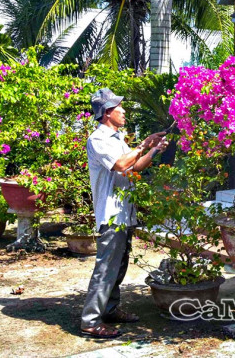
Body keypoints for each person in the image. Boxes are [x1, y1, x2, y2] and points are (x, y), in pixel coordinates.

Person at [81, 88, 168, 339]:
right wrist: (142, 144)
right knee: (106, 268)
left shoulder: (118, 139)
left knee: (119, 266)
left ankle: (109, 308)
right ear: (107, 113)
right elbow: (120, 164)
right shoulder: (98, 139)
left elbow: (134, 168)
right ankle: (90, 320)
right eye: (119, 107)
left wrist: (152, 149)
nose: (124, 110)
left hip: (124, 213)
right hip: (111, 215)